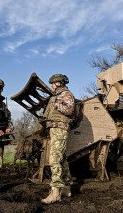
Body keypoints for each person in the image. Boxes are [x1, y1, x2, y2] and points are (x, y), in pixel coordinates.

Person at [41, 74, 75, 204]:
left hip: (60, 129)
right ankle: (66, 189)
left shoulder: (66, 94)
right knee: (62, 159)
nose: (52, 86)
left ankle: (55, 192)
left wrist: (55, 104)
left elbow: (69, 110)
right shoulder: (57, 96)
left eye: (53, 83)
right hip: (55, 129)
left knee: (54, 159)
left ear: (59, 83)